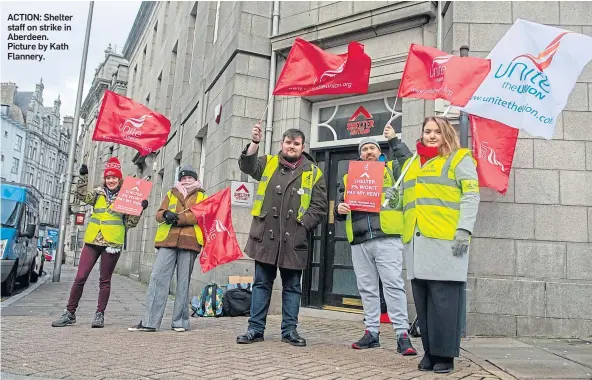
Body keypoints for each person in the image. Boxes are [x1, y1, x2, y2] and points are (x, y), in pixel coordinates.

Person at [393, 116, 480, 374]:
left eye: (437, 132)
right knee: (423, 302)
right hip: (416, 241)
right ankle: (430, 351)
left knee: (444, 301)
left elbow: (471, 195)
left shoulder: (458, 159)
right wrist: (394, 198)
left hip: (447, 240)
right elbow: (407, 202)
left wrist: (464, 230)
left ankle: (446, 355)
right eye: (427, 131)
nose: (431, 136)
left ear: (446, 135)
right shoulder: (411, 164)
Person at [236, 124, 327, 347]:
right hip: (265, 237)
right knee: (261, 284)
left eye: (296, 144)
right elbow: (247, 166)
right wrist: (255, 142)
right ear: (282, 144)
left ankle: (289, 331)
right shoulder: (268, 163)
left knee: (293, 287)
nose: (292, 147)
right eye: (288, 142)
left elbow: (320, 206)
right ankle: (255, 329)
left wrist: (302, 226)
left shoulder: (313, 171)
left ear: (303, 146)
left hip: (294, 239)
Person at [334, 126, 416, 355]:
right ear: (360, 155)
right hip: (360, 240)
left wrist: (394, 140)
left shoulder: (392, 169)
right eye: (364, 149)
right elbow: (339, 209)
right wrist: (339, 209)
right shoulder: (349, 177)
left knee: (393, 285)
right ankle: (371, 333)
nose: (368, 151)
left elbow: (409, 162)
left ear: (379, 151)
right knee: (367, 288)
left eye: (372, 147)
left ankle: (402, 335)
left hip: (387, 236)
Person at [52, 157, 148, 328]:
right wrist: (83, 177)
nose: (111, 180)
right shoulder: (97, 193)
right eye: (108, 177)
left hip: (112, 243)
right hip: (93, 240)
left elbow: (130, 224)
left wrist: (139, 209)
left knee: (105, 280)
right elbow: (81, 196)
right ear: (105, 179)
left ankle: (99, 315)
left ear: (120, 179)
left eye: (114, 178)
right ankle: (70, 313)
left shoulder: (127, 197)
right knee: (80, 276)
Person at [128, 164, 207, 332]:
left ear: (195, 179)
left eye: (189, 178)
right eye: (183, 178)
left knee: (183, 283)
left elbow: (199, 215)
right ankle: (149, 321)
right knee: (157, 278)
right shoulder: (171, 193)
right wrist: (165, 214)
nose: (186, 181)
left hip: (190, 241)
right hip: (167, 240)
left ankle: (180, 322)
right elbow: (159, 213)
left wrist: (178, 218)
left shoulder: (201, 195)